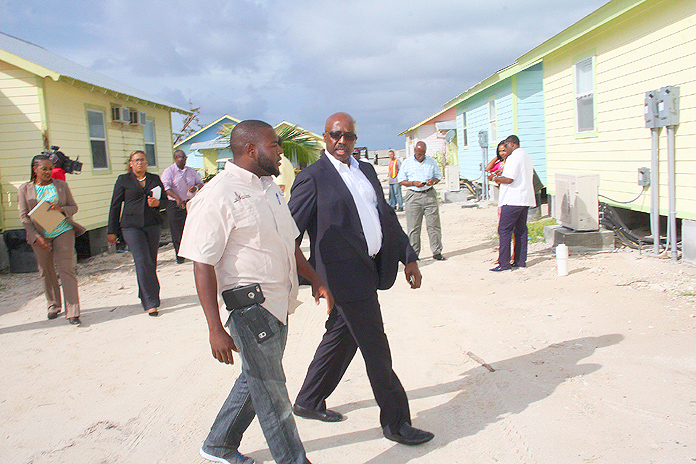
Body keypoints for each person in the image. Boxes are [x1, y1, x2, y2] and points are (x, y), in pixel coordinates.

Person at [178, 120, 332, 464]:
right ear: (251, 150)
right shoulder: (216, 195)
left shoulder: (270, 188)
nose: (280, 151)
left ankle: (218, 444)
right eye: (274, 145)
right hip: (250, 309)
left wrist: (316, 279)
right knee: (273, 391)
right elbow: (202, 264)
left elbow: (290, 245)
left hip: (279, 303)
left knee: (257, 378)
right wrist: (215, 328)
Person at [288, 112, 434, 446]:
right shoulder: (312, 178)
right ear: (325, 137)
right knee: (376, 348)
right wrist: (310, 277)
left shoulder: (365, 169)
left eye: (348, 136)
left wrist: (407, 255)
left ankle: (309, 400)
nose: (342, 142)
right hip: (340, 276)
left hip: (368, 269)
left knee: (342, 336)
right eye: (335, 135)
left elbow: (384, 216)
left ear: (355, 139)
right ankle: (396, 422)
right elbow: (288, 234)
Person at [18, 154, 86, 324]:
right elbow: (24, 217)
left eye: (50, 168)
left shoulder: (61, 186)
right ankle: (54, 305)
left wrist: (61, 208)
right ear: (35, 169)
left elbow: (74, 207)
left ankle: (73, 311)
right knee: (46, 271)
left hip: (63, 231)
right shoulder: (25, 189)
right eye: (44, 169)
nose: (49, 172)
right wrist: (36, 237)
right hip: (39, 235)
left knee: (66, 269)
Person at [107, 150, 167, 316]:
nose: (139, 163)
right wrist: (111, 230)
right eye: (136, 160)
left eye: (142, 160)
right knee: (142, 260)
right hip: (131, 226)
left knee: (150, 261)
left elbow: (165, 203)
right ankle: (151, 301)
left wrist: (157, 203)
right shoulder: (123, 180)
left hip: (152, 225)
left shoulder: (154, 179)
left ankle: (145, 293)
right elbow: (115, 205)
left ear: (146, 162)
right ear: (130, 164)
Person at [490, 135, 536, 272]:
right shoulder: (526, 156)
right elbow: (517, 174)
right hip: (524, 198)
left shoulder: (514, 157)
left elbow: (509, 179)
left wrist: (494, 177)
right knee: (521, 230)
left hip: (513, 199)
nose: (505, 149)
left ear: (512, 144)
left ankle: (504, 263)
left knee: (504, 230)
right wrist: (502, 172)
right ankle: (520, 261)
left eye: (506, 146)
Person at [398, 141, 445, 261]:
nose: (421, 156)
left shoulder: (431, 161)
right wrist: (413, 183)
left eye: (423, 154)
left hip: (429, 194)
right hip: (414, 196)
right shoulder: (407, 163)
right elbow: (401, 180)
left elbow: (438, 176)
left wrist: (432, 181)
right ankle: (414, 254)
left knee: (434, 225)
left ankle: (437, 251)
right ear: (415, 151)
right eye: (419, 154)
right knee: (414, 227)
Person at [161, 150, 203, 264]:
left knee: (191, 228)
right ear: (175, 158)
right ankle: (180, 256)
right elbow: (166, 188)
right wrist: (177, 198)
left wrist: (196, 187)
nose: (184, 159)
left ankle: (192, 253)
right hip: (175, 204)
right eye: (181, 157)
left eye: (185, 157)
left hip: (190, 202)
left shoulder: (191, 171)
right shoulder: (169, 171)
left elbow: (200, 182)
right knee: (177, 230)